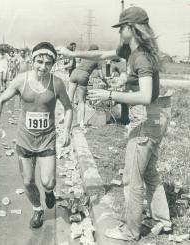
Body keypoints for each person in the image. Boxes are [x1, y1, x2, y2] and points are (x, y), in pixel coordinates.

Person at [57, 6, 172, 241]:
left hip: (147, 118)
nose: (119, 31)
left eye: (122, 27)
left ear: (133, 28)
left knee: (132, 177)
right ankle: (163, 220)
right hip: (155, 116)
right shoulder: (132, 50)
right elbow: (101, 56)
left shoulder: (141, 56)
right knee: (149, 172)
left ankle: (130, 230)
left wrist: (110, 95)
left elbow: (146, 96)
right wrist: (71, 55)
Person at [0, 42, 73, 229]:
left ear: (53, 64)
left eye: (48, 63)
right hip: (24, 140)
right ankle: (37, 209)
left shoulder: (57, 83)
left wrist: (67, 130)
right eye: (39, 61)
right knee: (28, 181)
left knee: (48, 181)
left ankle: (49, 191)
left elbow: (68, 108)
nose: (43, 67)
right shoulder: (21, 80)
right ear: (32, 59)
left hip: (46, 140)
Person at [66, 44, 103, 128]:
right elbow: (101, 75)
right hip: (83, 75)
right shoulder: (98, 59)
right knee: (81, 101)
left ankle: (64, 117)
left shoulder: (85, 56)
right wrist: (105, 82)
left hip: (74, 73)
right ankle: (82, 122)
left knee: (69, 99)